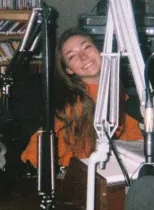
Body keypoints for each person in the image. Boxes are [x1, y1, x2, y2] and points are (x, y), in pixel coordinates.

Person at [21, 28, 143, 169]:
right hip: (85, 180)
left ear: (101, 51)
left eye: (87, 47)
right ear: (69, 70)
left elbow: (135, 141)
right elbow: (33, 156)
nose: (83, 57)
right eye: (72, 56)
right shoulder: (74, 105)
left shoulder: (120, 92)